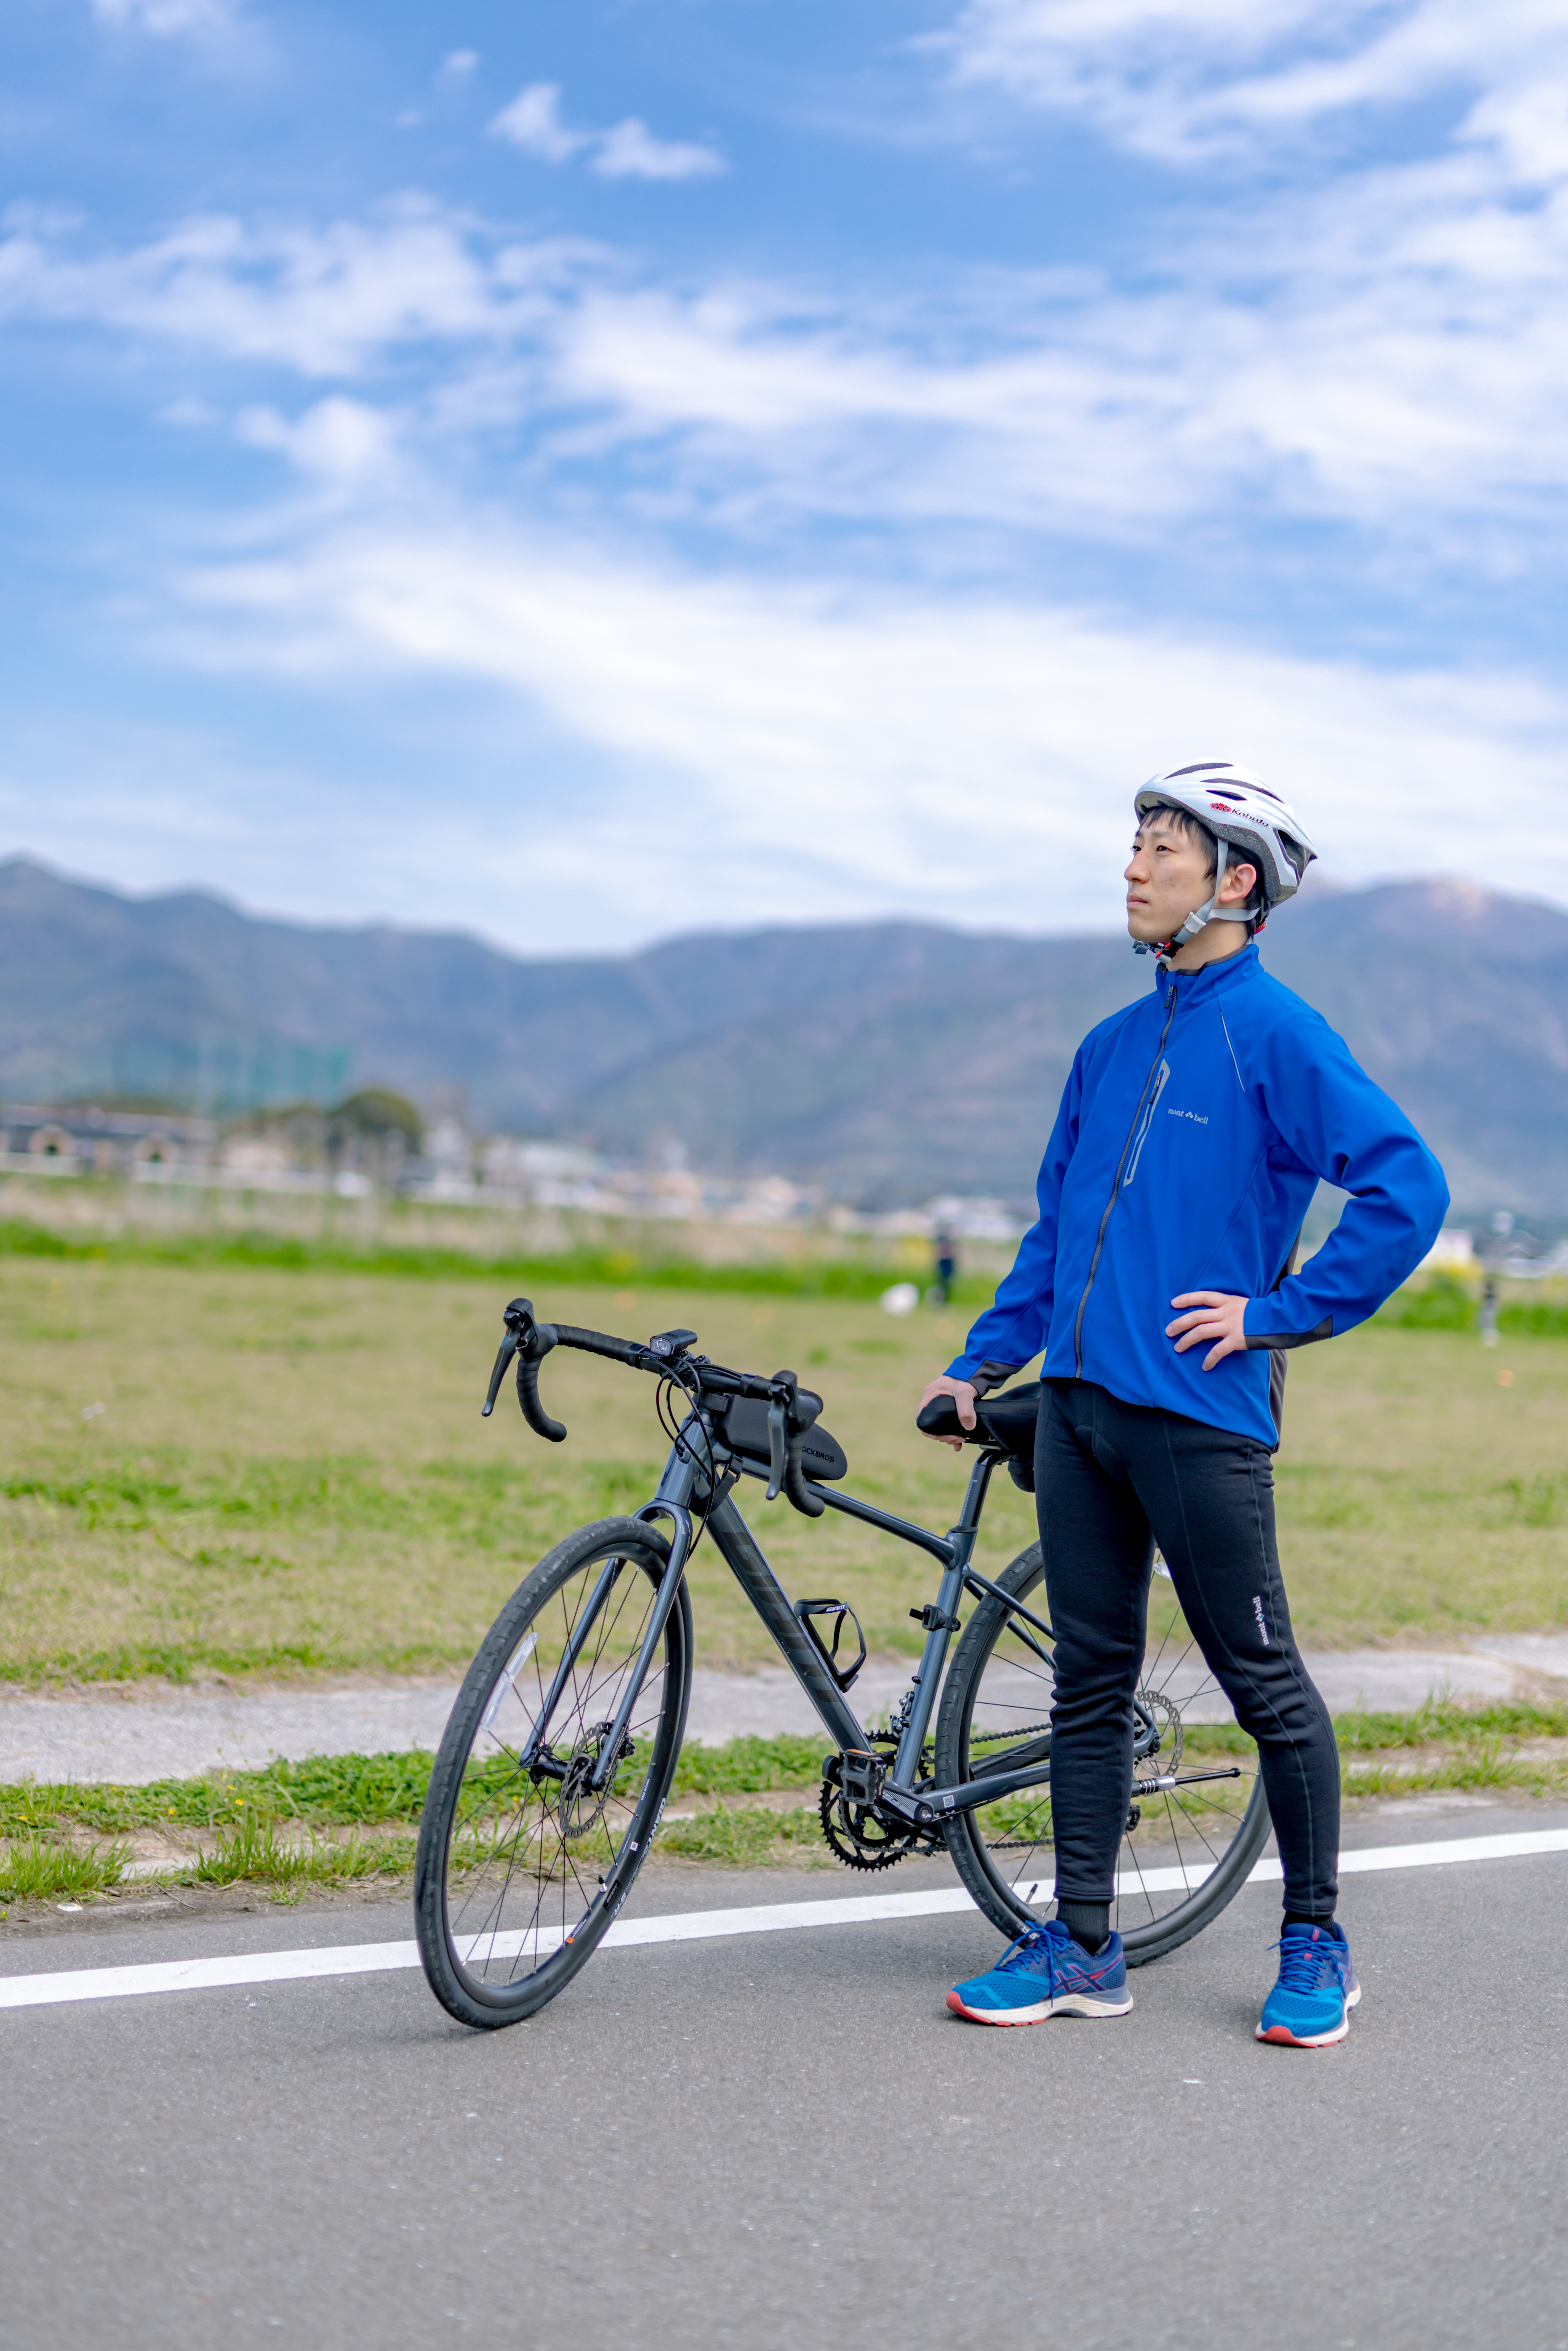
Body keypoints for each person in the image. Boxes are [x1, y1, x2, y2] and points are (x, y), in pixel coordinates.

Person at [919, 764, 1447, 2048]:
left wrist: (1274, 1315)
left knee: (1261, 1679)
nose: (1134, 866)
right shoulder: (1108, 1046)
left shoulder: (1275, 1031)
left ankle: (1315, 1939)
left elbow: (1405, 1186)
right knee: (1087, 1683)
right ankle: (1084, 1944)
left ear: (1236, 880)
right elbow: (1061, 1230)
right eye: (1136, 845)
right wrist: (983, 1361)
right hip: (1082, 1409)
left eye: (1162, 847)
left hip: (1200, 1418)